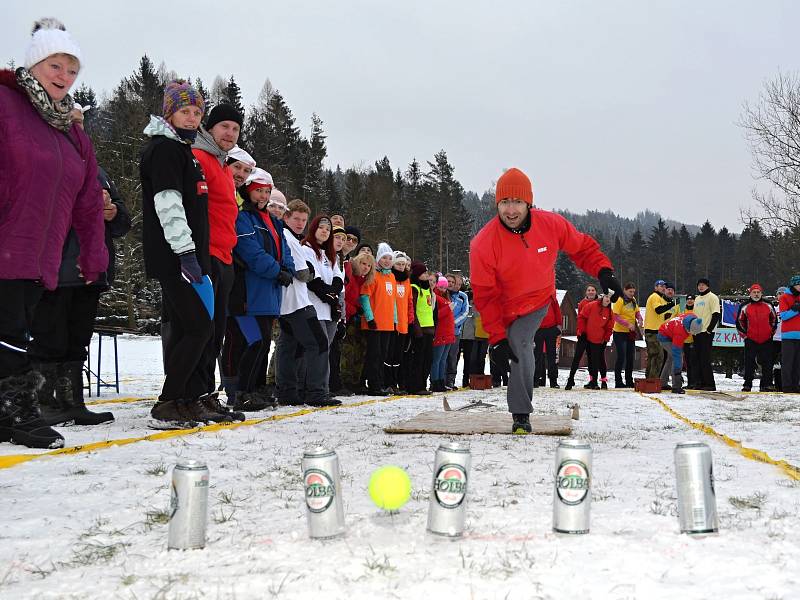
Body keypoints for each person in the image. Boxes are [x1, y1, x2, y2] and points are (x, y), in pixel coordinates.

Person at [0, 18, 108, 448]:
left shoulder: (71, 134)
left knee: (17, 330)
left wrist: (93, 255)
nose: (64, 77)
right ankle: (19, 413)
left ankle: (11, 412)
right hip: (7, 242)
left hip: (41, 256)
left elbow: (87, 201)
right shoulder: (6, 105)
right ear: (33, 65)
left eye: (72, 70)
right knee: (8, 332)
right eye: (55, 66)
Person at [470, 168, 621, 433]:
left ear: (529, 202)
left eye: (517, 202)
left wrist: (603, 271)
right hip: (504, 307)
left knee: (520, 343)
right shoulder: (484, 243)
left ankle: (520, 413)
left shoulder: (550, 225)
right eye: (504, 202)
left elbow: (582, 248)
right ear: (497, 204)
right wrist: (496, 338)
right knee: (512, 343)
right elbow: (485, 295)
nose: (511, 210)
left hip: (538, 301)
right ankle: (520, 401)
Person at [30, 105, 131, 426]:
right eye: (68, 122)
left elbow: (123, 223)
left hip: (92, 271)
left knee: (78, 339)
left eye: (79, 123)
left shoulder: (97, 171)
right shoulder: (40, 163)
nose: (75, 128)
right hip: (54, 269)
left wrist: (114, 213)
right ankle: (45, 402)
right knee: (50, 337)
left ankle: (72, 402)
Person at [141, 80, 234, 426]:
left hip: (192, 255)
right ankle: (168, 401)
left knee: (191, 328)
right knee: (198, 328)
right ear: (169, 113)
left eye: (197, 112)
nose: (193, 118)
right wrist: (186, 253)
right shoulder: (165, 150)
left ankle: (189, 398)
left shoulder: (184, 151)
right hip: (175, 255)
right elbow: (169, 205)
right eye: (185, 111)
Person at [229, 169, 293, 411]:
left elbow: (283, 248)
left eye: (267, 191)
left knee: (264, 343)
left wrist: (286, 267)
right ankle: (242, 391)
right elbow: (251, 252)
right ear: (247, 190)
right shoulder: (244, 218)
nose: (264, 196)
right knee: (253, 341)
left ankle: (256, 389)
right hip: (248, 293)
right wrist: (276, 271)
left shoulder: (274, 222)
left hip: (269, 294)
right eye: (259, 191)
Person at [192, 103, 243, 398]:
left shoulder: (223, 166)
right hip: (205, 254)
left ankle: (207, 393)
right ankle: (194, 393)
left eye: (235, 129)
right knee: (201, 330)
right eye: (224, 126)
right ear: (209, 128)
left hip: (225, 256)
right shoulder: (199, 157)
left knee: (216, 333)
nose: (230, 133)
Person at [276, 200, 335, 406]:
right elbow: (303, 273)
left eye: (303, 220)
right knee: (318, 343)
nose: (300, 223)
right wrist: (308, 272)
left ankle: (288, 391)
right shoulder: (287, 237)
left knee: (291, 346)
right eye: (296, 219)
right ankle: (316, 392)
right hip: (297, 302)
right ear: (286, 217)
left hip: (292, 301)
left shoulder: (292, 237)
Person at [302, 215, 344, 401]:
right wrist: (328, 294)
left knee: (324, 349)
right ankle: (314, 390)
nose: (325, 231)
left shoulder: (330, 254)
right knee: (317, 349)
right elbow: (314, 279)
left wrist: (333, 295)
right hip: (314, 305)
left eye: (328, 229)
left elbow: (337, 277)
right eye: (321, 227)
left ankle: (322, 388)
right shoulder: (307, 249)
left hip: (329, 309)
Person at [360, 243, 398, 395]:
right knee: (374, 355)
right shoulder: (373, 275)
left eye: (390, 258)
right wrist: (369, 318)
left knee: (382, 355)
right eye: (384, 258)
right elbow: (364, 297)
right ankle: (373, 385)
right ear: (378, 259)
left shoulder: (392, 276)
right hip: (374, 324)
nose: (387, 261)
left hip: (387, 324)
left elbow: (393, 300)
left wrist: (395, 320)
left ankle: (380, 383)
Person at [340, 252, 374, 393]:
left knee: (360, 350)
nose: (365, 267)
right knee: (347, 350)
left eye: (368, 265)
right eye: (363, 263)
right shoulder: (351, 277)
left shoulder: (365, 281)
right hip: (346, 317)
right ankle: (345, 380)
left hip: (359, 319)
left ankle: (356, 380)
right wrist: (355, 309)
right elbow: (344, 297)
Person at [735, 283, 777, 392]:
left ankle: (767, 384)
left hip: (766, 339)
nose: (756, 294)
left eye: (758, 292)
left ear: (762, 293)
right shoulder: (745, 305)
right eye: (754, 292)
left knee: (767, 363)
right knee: (749, 363)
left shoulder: (768, 304)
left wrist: (770, 332)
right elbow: (739, 321)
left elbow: (774, 320)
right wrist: (745, 335)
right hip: (751, 339)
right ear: (750, 293)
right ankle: (747, 384)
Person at [387, 252, 413, 392]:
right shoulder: (390, 278)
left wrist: (410, 320)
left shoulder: (407, 280)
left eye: (403, 264)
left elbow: (409, 301)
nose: (401, 267)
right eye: (398, 264)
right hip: (390, 322)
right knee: (389, 354)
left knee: (398, 355)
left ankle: (395, 382)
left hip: (403, 323)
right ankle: (388, 382)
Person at [408, 261, 435, 395]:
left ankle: (423, 384)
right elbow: (412, 309)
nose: (426, 275)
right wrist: (416, 328)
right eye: (424, 273)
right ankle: (416, 385)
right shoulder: (414, 288)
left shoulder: (427, 289)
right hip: (420, 330)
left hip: (429, 328)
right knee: (418, 359)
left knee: (427, 359)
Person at [658, 313, 703, 394]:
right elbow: (677, 354)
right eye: (691, 332)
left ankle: (662, 383)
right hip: (664, 337)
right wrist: (678, 373)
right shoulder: (680, 332)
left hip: (670, 332)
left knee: (670, 359)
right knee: (677, 358)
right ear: (688, 328)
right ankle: (676, 386)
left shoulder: (692, 317)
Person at [565, 284, 598, 390]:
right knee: (577, 357)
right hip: (583, 334)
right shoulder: (582, 303)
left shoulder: (599, 303)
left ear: (596, 292)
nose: (591, 292)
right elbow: (580, 318)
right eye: (589, 290)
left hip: (593, 335)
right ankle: (570, 379)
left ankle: (593, 381)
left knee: (592, 359)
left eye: (593, 290)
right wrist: (581, 331)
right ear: (586, 292)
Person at [578, 294, 614, 389]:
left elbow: (609, 328)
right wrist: (583, 331)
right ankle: (592, 381)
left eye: (610, 299)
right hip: (588, 337)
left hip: (600, 340)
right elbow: (581, 317)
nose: (607, 299)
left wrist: (606, 339)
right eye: (606, 297)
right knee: (590, 359)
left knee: (600, 359)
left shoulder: (610, 312)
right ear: (602, 297)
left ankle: (603, 381)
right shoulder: (592, 305)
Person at [691, 277, 721, 391]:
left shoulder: (712, 297)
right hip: (697, 332)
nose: (701, 287)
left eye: (703, 285)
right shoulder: (697, 299)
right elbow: (694, 316)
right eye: (699, 285)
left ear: (708, 286)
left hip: (706, 332)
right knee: (696, 358)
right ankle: (699, 382)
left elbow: (716, 314)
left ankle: (709, 383)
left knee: (705, 358)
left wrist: (709, 329)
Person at [611, 282, 641, 388]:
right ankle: (618, 381)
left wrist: (640, 319)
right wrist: (627, 324)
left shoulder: (633, 301)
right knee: (621, 356)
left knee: (630, 357)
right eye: (630, 292)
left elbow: (637, 312)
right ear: (624, 290)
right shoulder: (619, 300)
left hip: (630, 333)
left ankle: (629, 380)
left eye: (633, 292)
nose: (632, 294)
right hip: (619, 333)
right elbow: (616, 316)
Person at [644, 279, 674, 379]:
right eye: (661, 286)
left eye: (664, 287)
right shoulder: (655, 297)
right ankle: (653, 380)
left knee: (653, 356)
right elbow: (658, 310)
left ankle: (649, 379)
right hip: (652, 331)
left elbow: (659, 314)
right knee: (658, 356)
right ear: (655, 287)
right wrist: (670, 305)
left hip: (655, 330)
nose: (663, 288)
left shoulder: (659, 298)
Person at [431, 275, 456, 392]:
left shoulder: (446, 297)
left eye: (445, 287)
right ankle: (435, 382)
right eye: (441, 286)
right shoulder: (435, 296)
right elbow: (435, 315)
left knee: (443, 360)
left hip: (448, 332)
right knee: (437, 359)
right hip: (440, 332)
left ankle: (441, 381)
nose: (443, 289)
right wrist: (448, 309)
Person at [445, 273, 470, 389]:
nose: (456, 286)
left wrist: (453, 323)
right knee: (441, 357)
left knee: (452, 356)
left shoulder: (462, 296)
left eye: (459, 284)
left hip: (455, 331)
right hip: (442, 331)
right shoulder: (444, 294)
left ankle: (450, 380)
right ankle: (438, 379)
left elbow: (465, 313)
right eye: (455, 283)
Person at [533, 298, 562, 388]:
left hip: (551, 329)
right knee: (536, 356)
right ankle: (535, 380)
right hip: (537, 329)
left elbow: (557, 310)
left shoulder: (551, 297)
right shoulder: (534, 297)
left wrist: (559, 325)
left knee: (552, 356)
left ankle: (553, 381)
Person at [778, 276, 800, 393]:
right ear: (794, 285)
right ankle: (787, 386)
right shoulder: (784, 297)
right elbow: (784, 316)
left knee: (797, 364)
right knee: (788, 363)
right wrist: (795, 310)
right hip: (788, 336)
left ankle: (796, 386)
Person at [683, 294, 700, 388]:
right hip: (685, 340)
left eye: (692, 299)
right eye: (688, 299)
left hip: (694, 339)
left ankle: (696, 382)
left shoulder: (697, 310)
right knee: (688, 363)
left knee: (694, 362)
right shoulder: (683, 310)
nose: (690, 301)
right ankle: (690, 383)